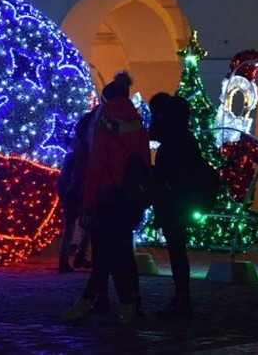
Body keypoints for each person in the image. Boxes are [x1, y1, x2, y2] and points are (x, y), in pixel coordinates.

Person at [61, 71, 150, 324]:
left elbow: (95, 169)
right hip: (130, 200)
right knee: (120, 253)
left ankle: (93, 302)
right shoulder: (139, 126)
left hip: (105, 199)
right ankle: (128, 303)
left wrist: (87, 206)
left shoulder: (103, 127)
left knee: (104, 255)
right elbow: (144, 164)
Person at [149, 93, 201, 319]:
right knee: (177, 250)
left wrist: (163, 185)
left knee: (177, 250)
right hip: (179, 200)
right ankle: (182, 297)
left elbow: (172, 173)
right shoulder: (184, 138)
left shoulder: (174, 142)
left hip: (174, 202)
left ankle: (183, 298)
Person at [56, 111, 95, 273]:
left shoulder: (72, 156)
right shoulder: (85, 154)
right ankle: (72, 258)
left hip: (72, 195)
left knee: (74, 229)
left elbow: (64, 177)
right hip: (78, 195)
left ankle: (68, 259)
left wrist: (63, 193)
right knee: (84, 227)